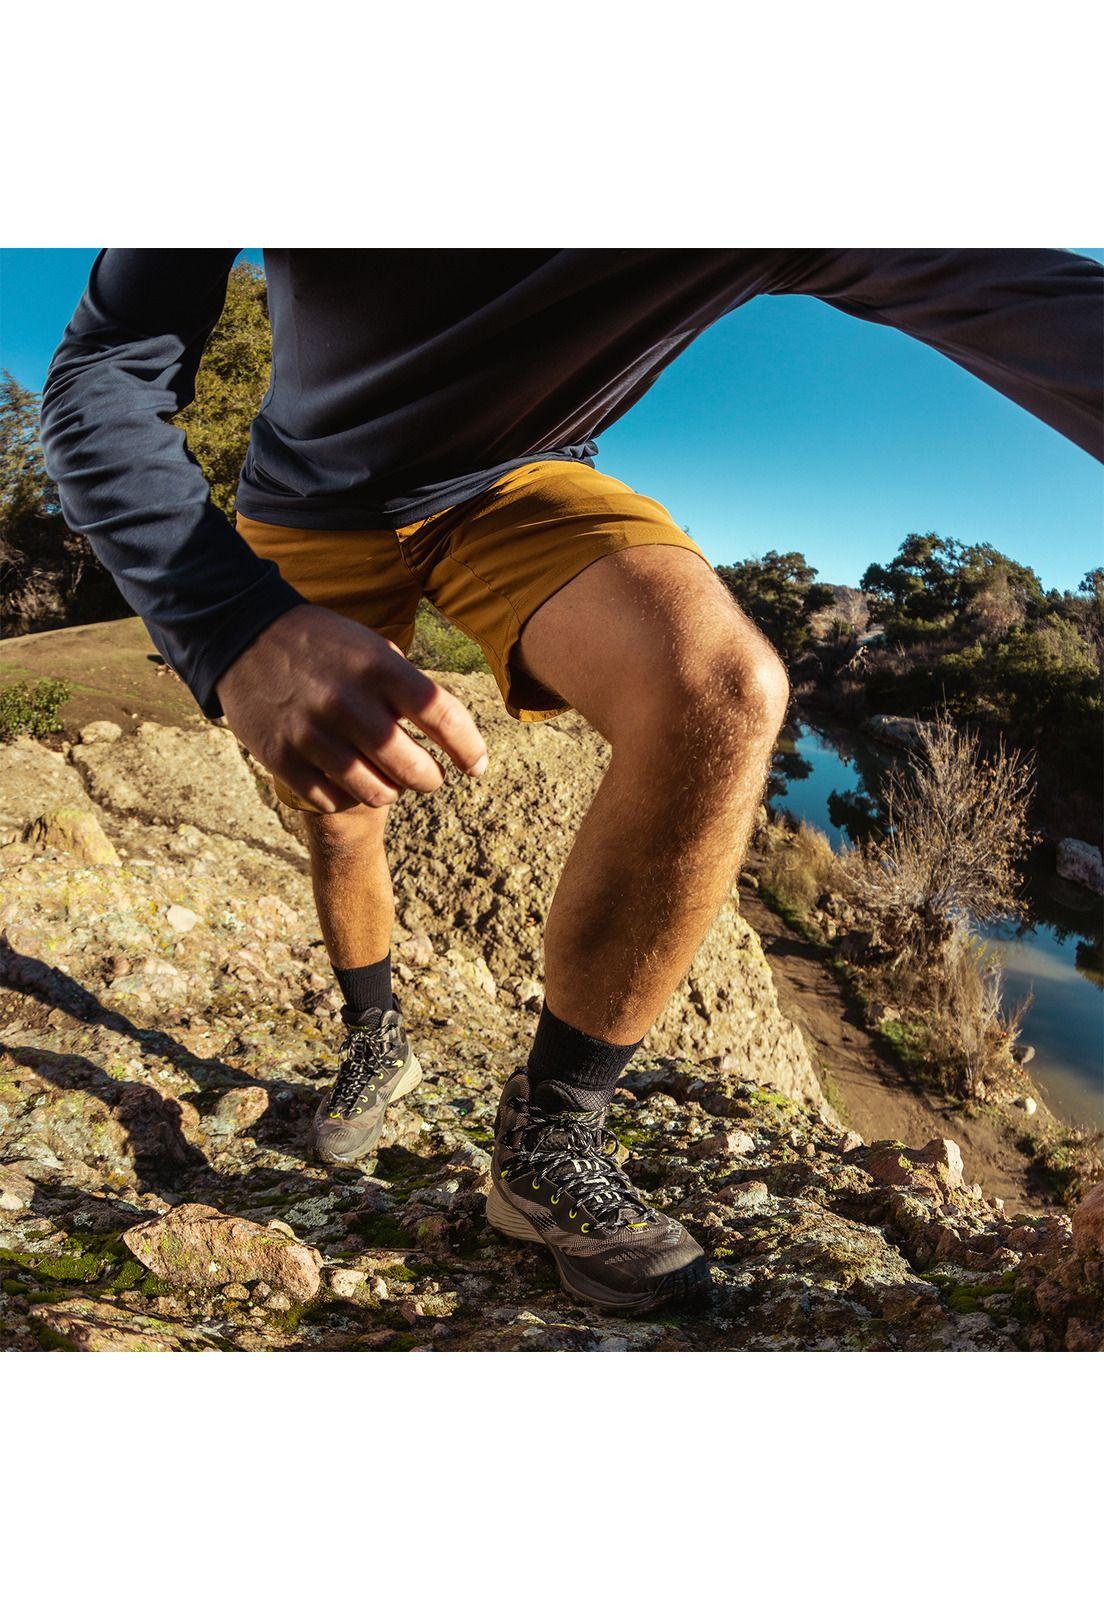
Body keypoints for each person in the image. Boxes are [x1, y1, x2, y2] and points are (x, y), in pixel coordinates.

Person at [41, 249, 1103, 1313]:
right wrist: (234, 628)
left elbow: (1036, 302)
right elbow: (108, 363)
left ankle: (551, 1135)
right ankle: (376, 1040)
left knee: (725, 690)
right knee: (341, 807)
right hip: (306, 501)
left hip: (515, 484)